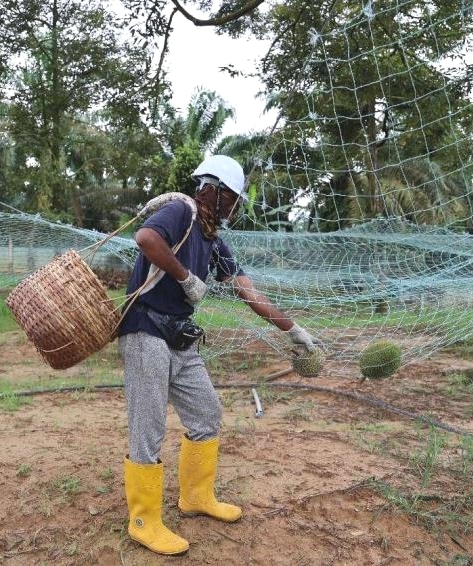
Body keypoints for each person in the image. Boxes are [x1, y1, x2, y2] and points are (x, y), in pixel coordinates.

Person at [117, 154, 322, 555]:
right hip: (145, 330)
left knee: (207, 414)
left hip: (180, 337)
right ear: (211, 190)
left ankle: (196, 497)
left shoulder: (212, 239)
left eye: (235, 202)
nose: (233, 207)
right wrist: (184, 277)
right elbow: (146, 238)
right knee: (148, 426)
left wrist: (294, 330)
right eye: (230, 199)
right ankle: (143, 521)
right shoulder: (182, 211)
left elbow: (247, 290)